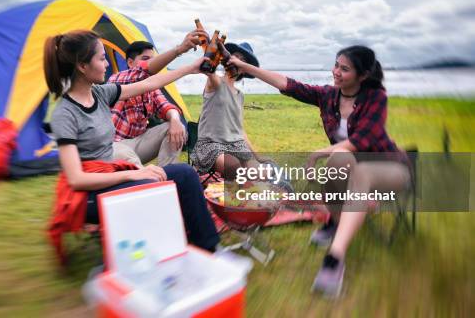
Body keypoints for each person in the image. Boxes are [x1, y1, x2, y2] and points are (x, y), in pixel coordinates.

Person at [227, 45, 411, 297]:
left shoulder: (376, 97)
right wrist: (245, 67)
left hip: (389, 168)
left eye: (344, 69)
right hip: (352, 167)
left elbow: (364, 140)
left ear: (363, 75)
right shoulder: (329, 96)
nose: (335, 72)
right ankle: (335, 222)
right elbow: (289, 85)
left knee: (348, 162)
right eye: (336, 65)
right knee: (340, 158)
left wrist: (317, 154)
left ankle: (335, 257)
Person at [44, 30, 219, 254]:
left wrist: (191, 68)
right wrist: (133, 173)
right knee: (154, 189)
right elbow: (76, 180)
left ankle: (208, 248)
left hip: (109, 175)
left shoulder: (99, 93)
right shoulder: (65, 114)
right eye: (101, 58)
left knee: (185, 174)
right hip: (86, 195)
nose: (107, 64)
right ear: (82, 66)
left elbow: (149, 83)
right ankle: (161, 249)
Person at [191, 42, 291, 190]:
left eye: (242, 60)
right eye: (234, 56)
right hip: (211, 146)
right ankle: (268, 189)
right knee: (243, 171)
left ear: (244, 69)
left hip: (235, 145)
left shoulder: (240, 95)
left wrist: (257, 156)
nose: (236, 61)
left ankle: (275, 192)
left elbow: (240, 130)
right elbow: (210, 71)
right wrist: (212, 53)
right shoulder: (215, 82)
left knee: (266, 171)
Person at [109, 31, 206, 167]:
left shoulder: (151, 88)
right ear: (130, 63)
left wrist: (175, 119)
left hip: (138, 144)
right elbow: (145, 70)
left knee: (174, 127)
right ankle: (150, 181)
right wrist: (179, 50)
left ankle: (169, 174)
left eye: (152, 58)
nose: (150, 62)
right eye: (145, 58)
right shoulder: (117, 79)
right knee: (141, 174)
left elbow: (166, 106)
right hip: (114, 145)